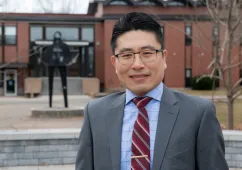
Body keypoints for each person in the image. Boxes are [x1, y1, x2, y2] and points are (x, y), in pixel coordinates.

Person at [76, 12, 229, 170]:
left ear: (164, 58)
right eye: (127, 55)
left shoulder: (198, 114)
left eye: (147, 53)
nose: (137, 64)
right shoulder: (95, 114)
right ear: (115, 63)